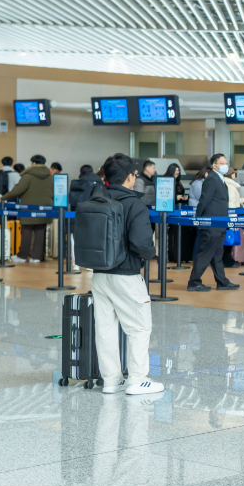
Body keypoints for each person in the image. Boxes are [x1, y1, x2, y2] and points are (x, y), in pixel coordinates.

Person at [90, 155, 163, 397]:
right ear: (130, 177)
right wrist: (151, 252)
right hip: (126, 275)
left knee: (106, 330)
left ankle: (111, 381)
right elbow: (142, 244)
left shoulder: (97, 199)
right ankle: (138, 380)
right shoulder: (134, 204)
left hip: (100, 275)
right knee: (139, 328)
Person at [186, 154, 238, 292]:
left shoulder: (220, 180)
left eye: (226, 162)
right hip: (211, 223)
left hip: (220, 223)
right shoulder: (212, 179)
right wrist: (200, 218)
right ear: (214, 165)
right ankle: (194, 282)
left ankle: (222, 281)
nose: (225, 165)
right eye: (222, 163)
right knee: (206, 253)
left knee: (217, 254)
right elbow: (204, 199)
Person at [1, 155, 53, 263]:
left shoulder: (28, 175)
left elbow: (17, 191)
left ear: (33, 163)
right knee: (40, 232)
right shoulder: (50, 176)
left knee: (27, 231)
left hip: (29, 207)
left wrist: (2, 198)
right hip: (46, 208)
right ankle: (36, 257)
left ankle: (22, 256)